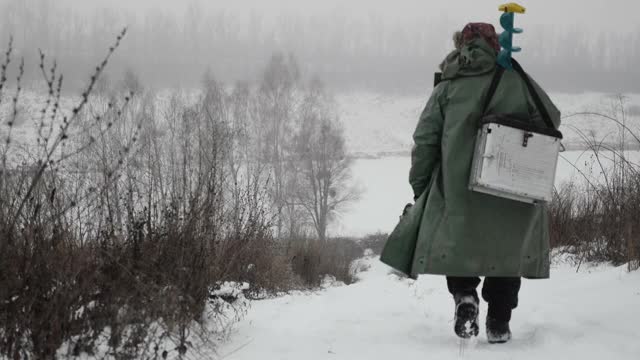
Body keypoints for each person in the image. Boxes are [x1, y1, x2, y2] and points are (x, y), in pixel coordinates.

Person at [384, 23, 561, 344]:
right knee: (507, 244)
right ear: (496, 46)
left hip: (458, 186)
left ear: (460, 47)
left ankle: (465, 297)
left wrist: (421, 184)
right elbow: (552, 117)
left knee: (459, 243)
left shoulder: (448, 87)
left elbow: (425, 140)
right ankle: (499, 321)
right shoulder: (517, 78)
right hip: (513, 183)